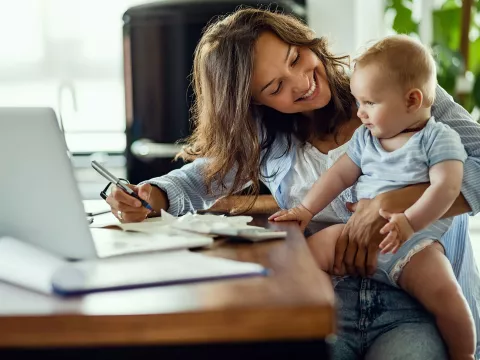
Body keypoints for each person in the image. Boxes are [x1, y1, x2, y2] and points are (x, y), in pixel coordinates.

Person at [105, 8, 480, 359]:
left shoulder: (395, 85)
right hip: (327, 302)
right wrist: (151, 194)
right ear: (253, 104)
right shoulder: (268, 136)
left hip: (419, 301)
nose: (302, 83)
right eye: (275, 87)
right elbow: (197, 180)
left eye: (295, 58)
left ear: (302, 39)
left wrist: (396, 203)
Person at [269, 35, 475, 359]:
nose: (360, 112)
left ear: (411, 101)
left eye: (370, 103)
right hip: (356, 233)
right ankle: (320, 319)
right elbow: (339, 174)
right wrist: (306, 209)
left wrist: (407, 221)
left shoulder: (438, 139)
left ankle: (463, 352)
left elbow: (446, 189)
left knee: (446, 294)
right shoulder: (366, 138)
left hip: (414, 243)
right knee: (306, 255)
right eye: (358, 102)